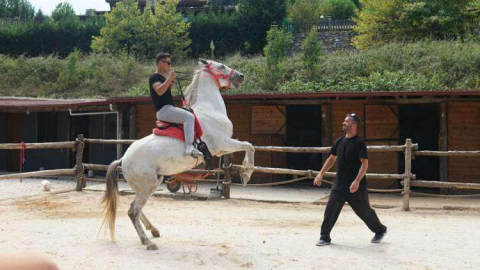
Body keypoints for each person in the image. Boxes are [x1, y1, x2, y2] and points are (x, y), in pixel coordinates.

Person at [314, 113, 387, 246]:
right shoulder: (339, 141)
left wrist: (357, 181)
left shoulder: (359, 143)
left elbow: (364, 164)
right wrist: (321, 174)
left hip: (356, 186)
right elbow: (331, 159)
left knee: (364, 211)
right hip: (339, 184)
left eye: (346, 121)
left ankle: (380, 230)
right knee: (330, 209)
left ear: (353, 125)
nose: (343, 123)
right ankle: (324, 236)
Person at [150, 52, 202, 156]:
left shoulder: (162, 79)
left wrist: (169, 83)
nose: (170, 65)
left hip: (167, 109)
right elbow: (159, 91)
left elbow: (163, 92)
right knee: (189, 117)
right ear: (160, 63)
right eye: (168, 63)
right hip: (164, 110)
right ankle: (189, 147)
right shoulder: (154, 77)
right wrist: (169, 79)